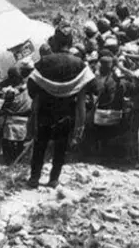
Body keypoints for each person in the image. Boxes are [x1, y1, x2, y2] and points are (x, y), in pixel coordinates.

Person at [27, 28, 96, 188]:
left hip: (45, 111)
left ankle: (34, 178)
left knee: (40, 145)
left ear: (55, 42)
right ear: (70, 43)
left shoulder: (44, 63)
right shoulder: (79, 64)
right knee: (61, 147)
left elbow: (32, 88)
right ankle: (54, 179)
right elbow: (93, 86)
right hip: (67, 113)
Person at [0, 65, 33, 164]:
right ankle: (20, 162)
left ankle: (9, 162)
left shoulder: (10, 92)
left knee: (7, 144)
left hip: (12, 123)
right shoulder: (29, 88)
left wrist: (3, 110)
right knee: (22, 145)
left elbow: (4, 108)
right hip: (26, 122)